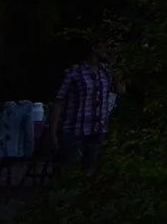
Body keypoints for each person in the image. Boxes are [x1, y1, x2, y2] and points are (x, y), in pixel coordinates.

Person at [47, 42, 118, 174]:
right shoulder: (75, 72)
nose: (108, 50)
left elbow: (120, 90)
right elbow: (59, 101)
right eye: (105, 47)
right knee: (70, 172)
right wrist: (53, 132)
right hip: (75, 130)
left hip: (97, 130)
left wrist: (117, 67)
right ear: (94, 48)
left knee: (90, 172)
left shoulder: (106, 72)